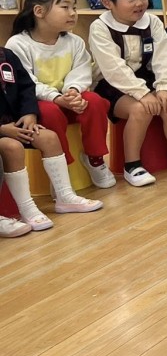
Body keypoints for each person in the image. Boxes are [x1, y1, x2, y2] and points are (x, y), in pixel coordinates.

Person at [88, 0, 167, 186]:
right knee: (140, 109)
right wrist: (142, 94)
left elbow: (163, 56)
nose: (140, 3)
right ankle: (132, 165)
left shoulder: (153, 22)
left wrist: (164, 87)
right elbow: (114, 69)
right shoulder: (100, 28)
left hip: (146, 80)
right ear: (107, 2)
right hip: (111, 85)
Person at [7, 0, 115, 190]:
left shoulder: (75, 42)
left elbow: (82, 70)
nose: (73, 13)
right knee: (50, 112)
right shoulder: (18, 44)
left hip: (68, 99)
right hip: (38, 104)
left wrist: (73, 91)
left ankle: (95, 158)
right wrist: (55, 98)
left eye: (74, 7)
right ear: (39, 11)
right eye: (65, 7)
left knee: (94, 101)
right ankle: (63, 167)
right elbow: (26, 83)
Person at [0, 33, 103, 232]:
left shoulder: (6, 56)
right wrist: (2, 129)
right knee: (12, 147)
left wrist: (29, 114)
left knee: (49, 138)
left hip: (17, 122)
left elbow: (26, 87)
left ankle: (64, 196)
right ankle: (27, 208)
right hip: (3, 130)